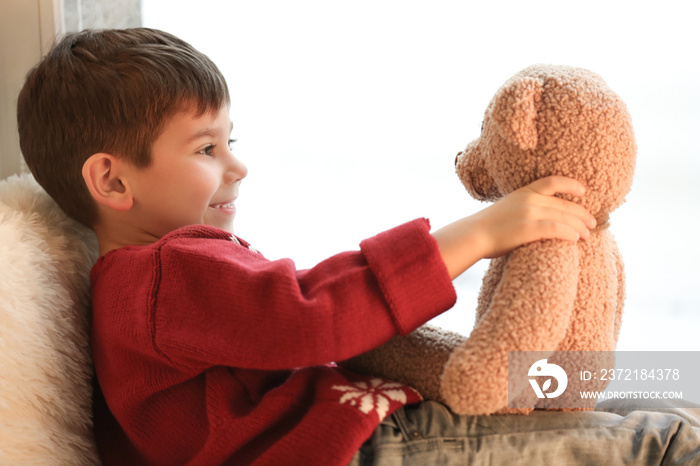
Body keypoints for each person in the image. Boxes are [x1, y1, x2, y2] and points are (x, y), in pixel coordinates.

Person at [16, 28, 700, 465]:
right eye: (206, 149)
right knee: (660, 442)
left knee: (656, 389)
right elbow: (306, 314)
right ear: (111, 179)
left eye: (232, 142)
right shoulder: (158, 276)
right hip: (362, 447)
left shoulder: (161, 276)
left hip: (371, 417)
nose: (236, 166)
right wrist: (482, 233)